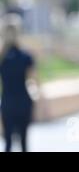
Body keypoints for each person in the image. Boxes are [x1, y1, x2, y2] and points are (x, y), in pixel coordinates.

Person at [0, 14, 37, 152]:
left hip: (7, 102)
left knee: (8, 143)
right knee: (24, 143)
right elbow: (33, 81)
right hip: (23, 102)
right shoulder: (26, 56)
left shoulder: (1, 57)